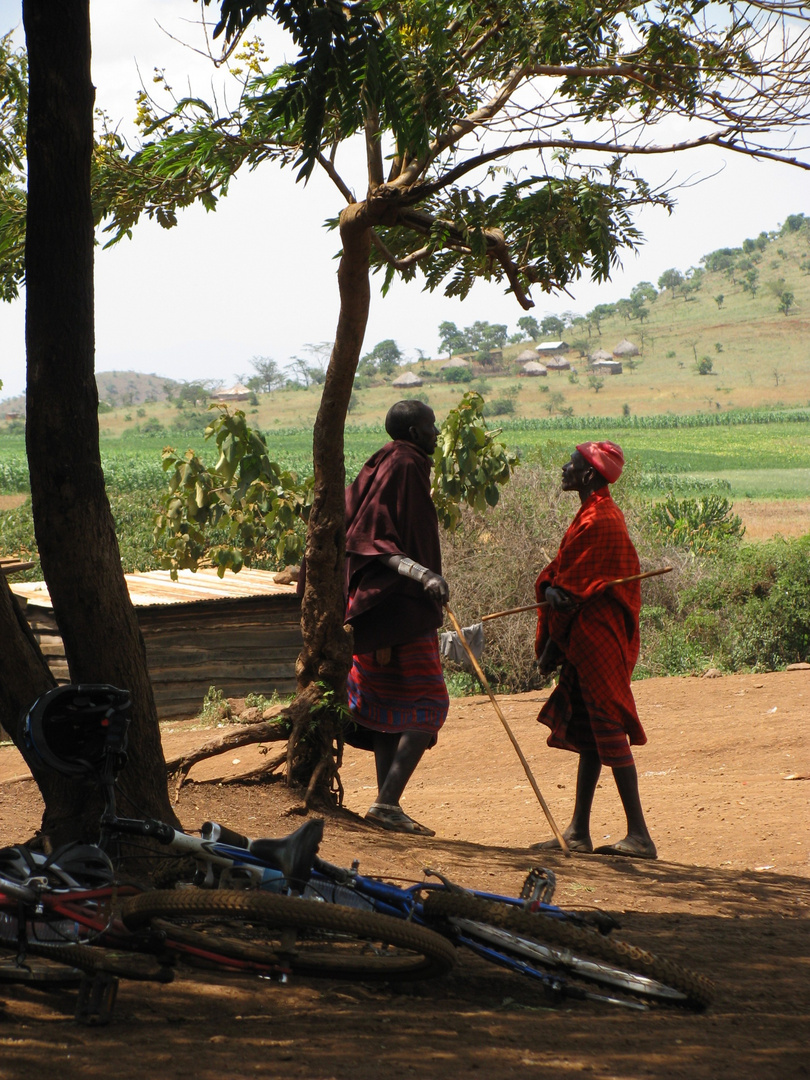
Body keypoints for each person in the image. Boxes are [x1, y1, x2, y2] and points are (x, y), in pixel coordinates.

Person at [533, 441, 657, 860]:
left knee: (607, 722)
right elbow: (567, 583)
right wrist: (552, 592)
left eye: (571, 463)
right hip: (586, 634)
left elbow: (570, 591)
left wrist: (552, 638)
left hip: (597, 635)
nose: (564, 469)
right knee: (588, 727)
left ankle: (639, 836)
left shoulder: (601, 519)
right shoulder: (591, 513)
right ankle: (578, 831)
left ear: (588, 474)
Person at [343, 400, 450, 836]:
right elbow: (373, 537)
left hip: (375, 610)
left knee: (387, 706)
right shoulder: (405, 463)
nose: (436, 433)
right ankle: (387, 801)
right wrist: (423, 574)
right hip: (398, 607)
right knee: (428, 704)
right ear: (411, 431)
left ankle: (386, 806)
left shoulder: (384, 461)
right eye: (430, 426)